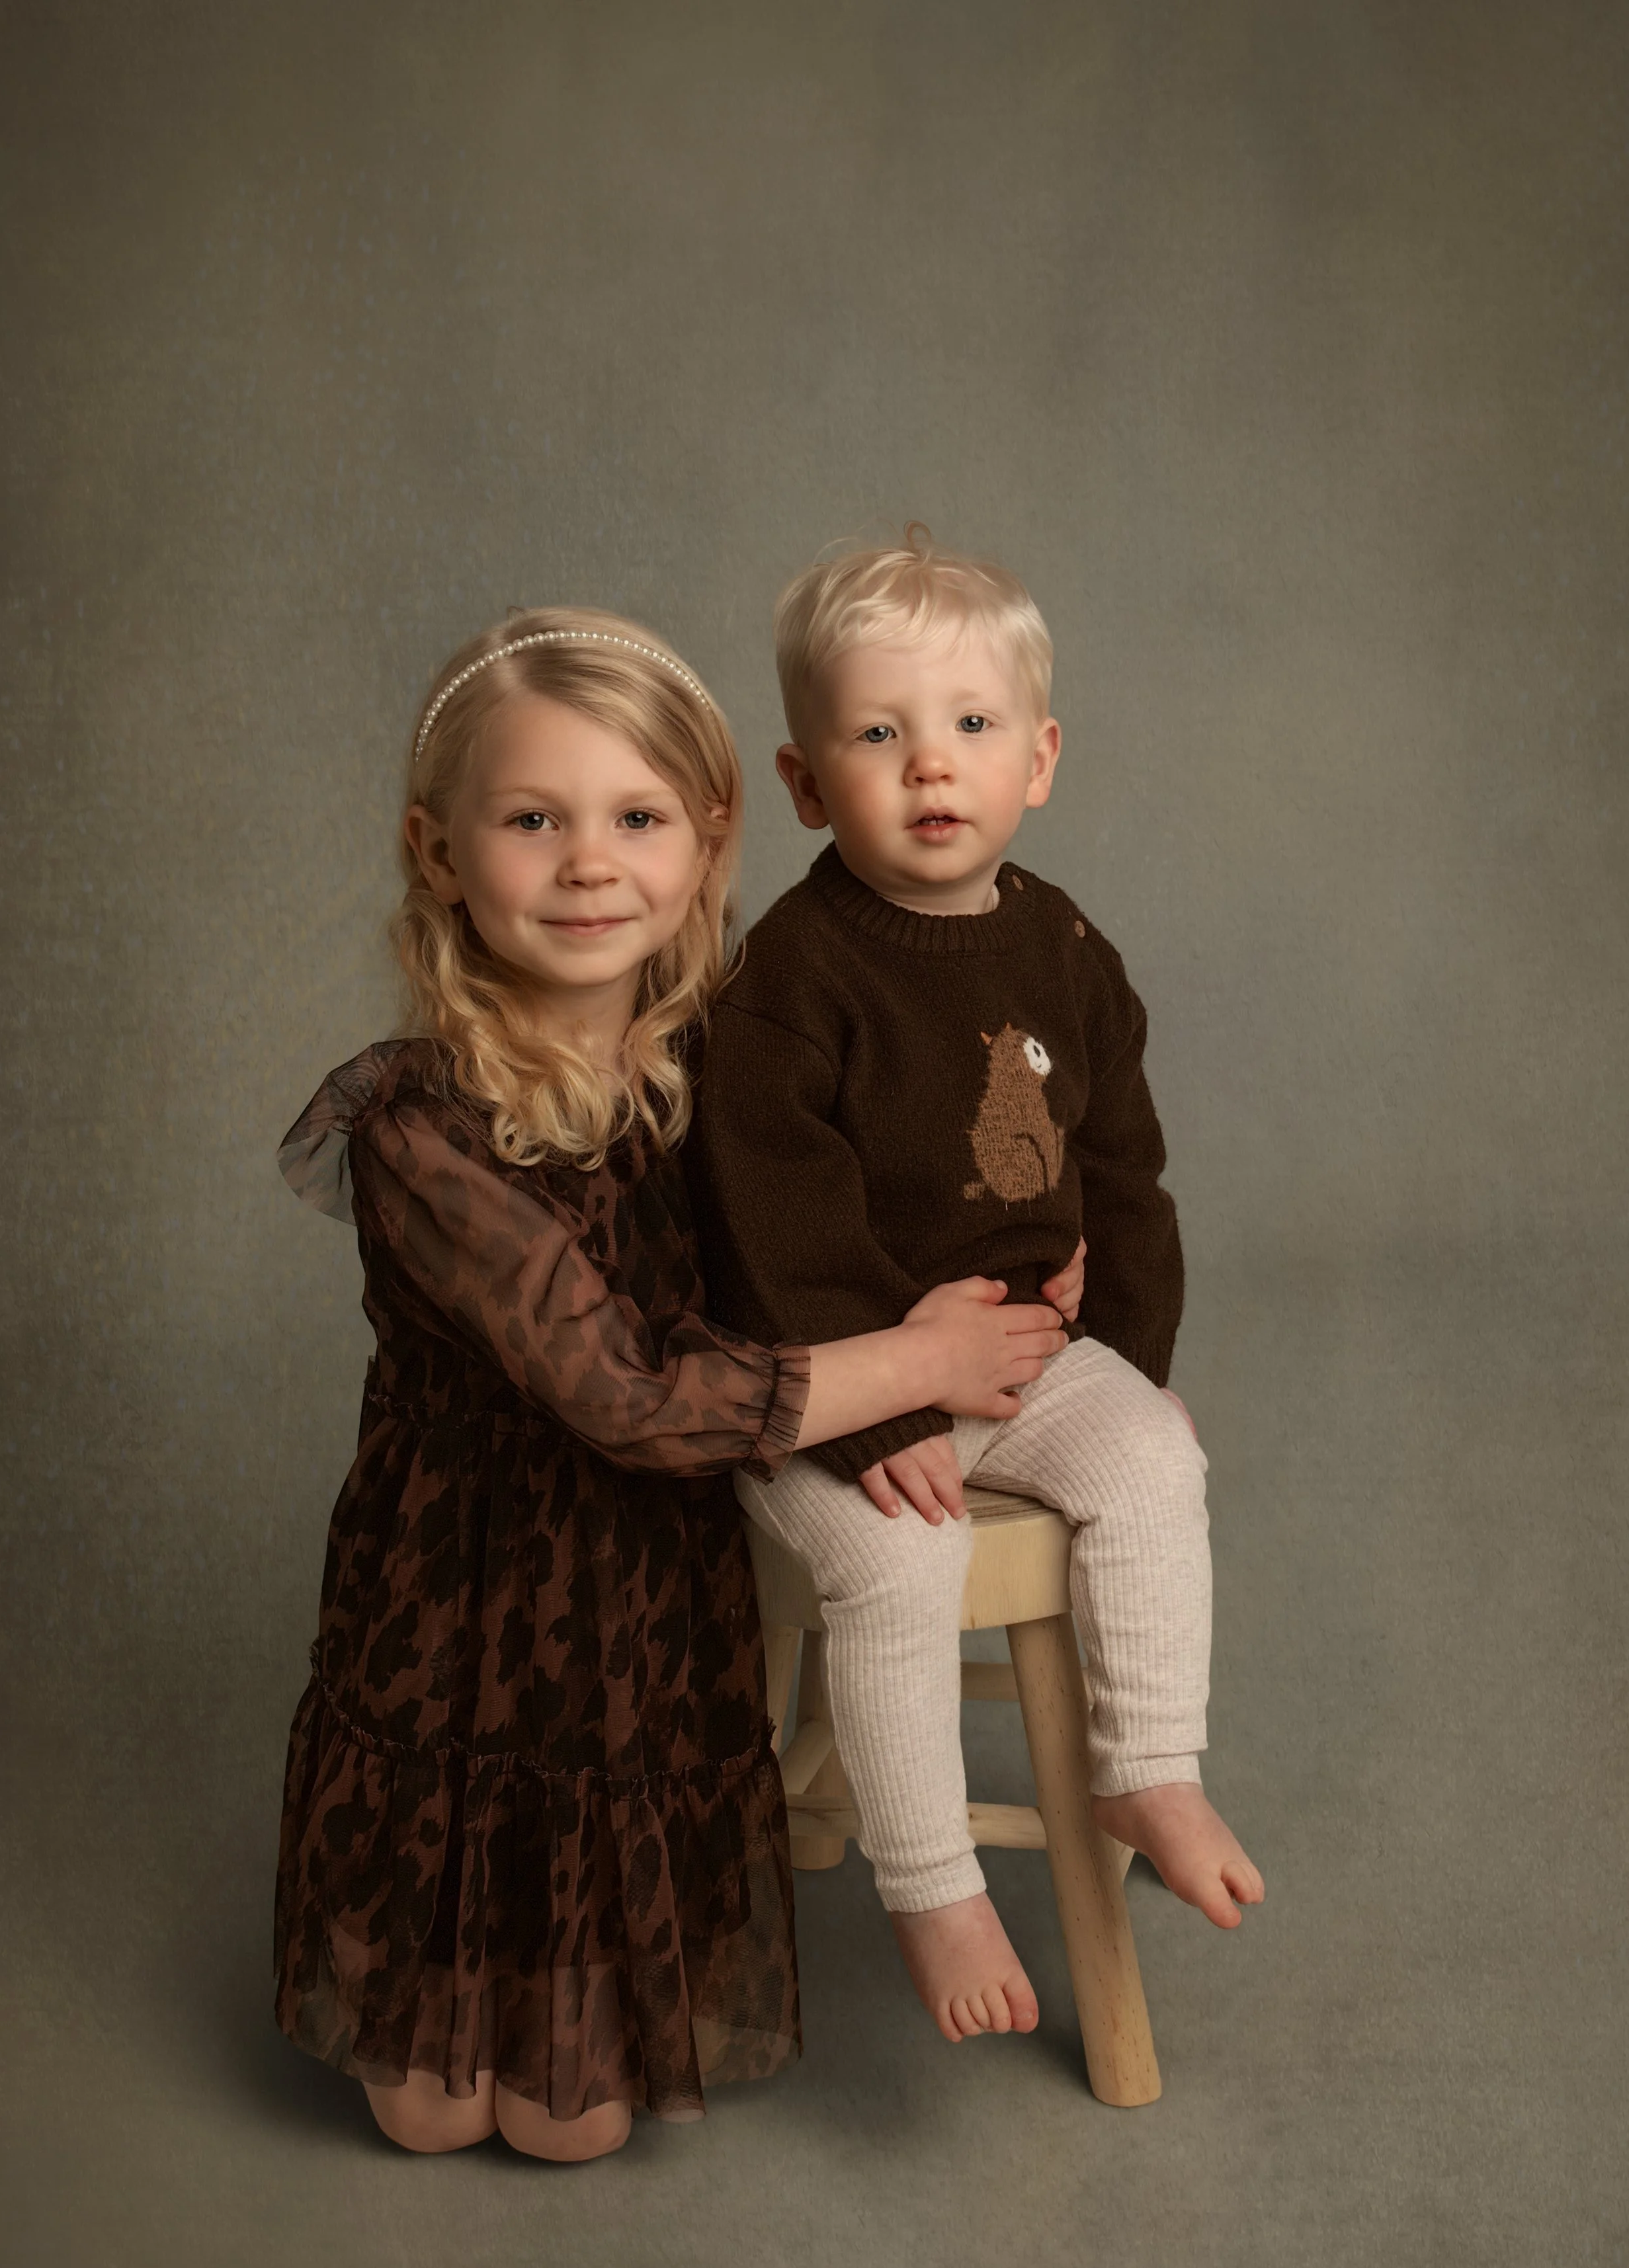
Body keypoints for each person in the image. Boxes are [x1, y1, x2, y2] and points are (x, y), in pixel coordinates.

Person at [272, 609, 1067, 2159]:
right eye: (531, 820)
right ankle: (456, 2000)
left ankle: (575, 1989)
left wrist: (1042, 1247)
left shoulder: (717, 1058)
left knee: (570, 2122)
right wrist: (914, 1358)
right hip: (461, 1578)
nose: (587, 863)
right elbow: (624, 1393)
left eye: (635, 818)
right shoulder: (418, 1126)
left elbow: (896, 1184)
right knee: (428, 2107)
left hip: (637, 1591)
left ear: (708, 845)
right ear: (438, 853)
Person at [685, 531, 1265, 2047]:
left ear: (1040, 756)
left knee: (1151, 1457)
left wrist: (1128, 1356)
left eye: (969, 725)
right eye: (876, 734)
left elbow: (1125, 1176)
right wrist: (873, 1408)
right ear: (808, 782)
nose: (929, 764)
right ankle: (931, 1878)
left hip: (1015, 1354)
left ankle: (1145, 1758)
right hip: (834, 1390)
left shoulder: (1065, 949)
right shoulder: (788, 983)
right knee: (896, 1567)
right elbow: (769, 1229)